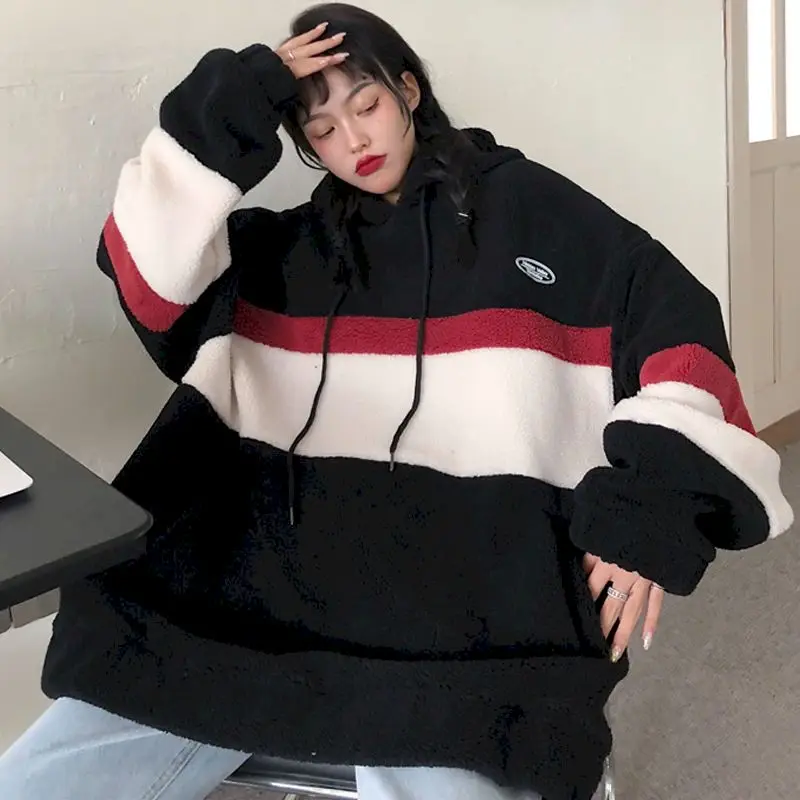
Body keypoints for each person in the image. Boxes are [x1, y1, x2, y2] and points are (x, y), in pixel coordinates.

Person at [0, 3, 793, 800]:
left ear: (409, 89)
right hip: (240, 612)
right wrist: (244, 91)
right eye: (321, 128)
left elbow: (680, 333)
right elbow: (146, 268)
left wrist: (647, 513)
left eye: (368, 104)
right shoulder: (281, 252)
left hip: (461, 631)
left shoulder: (537, 214)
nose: (354, 140)